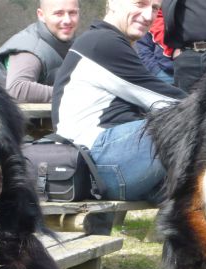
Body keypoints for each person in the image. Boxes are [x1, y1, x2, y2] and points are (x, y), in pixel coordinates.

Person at [52, 0, 186, 203]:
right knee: (183, 125)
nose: (149, 16)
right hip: (96, 162)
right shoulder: (103, 43)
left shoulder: (103, 40)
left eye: (155, 8)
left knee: (196, 192)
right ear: (113, 2)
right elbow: (165, 100)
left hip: (95, 164)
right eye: (140, 4)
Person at [0, 0, 79, 103]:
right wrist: (73, 94)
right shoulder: (29, 49)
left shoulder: (75, 43)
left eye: (72, 13)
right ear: (41, 15)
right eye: (58, 13)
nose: (67, 20)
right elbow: (17, 88)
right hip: (17, 117)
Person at [136, 9, 175, 84]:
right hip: (163, 73)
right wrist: (156, 71)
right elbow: (143, 48)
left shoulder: (186, 15)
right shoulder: (150, 17)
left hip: (188, 72)